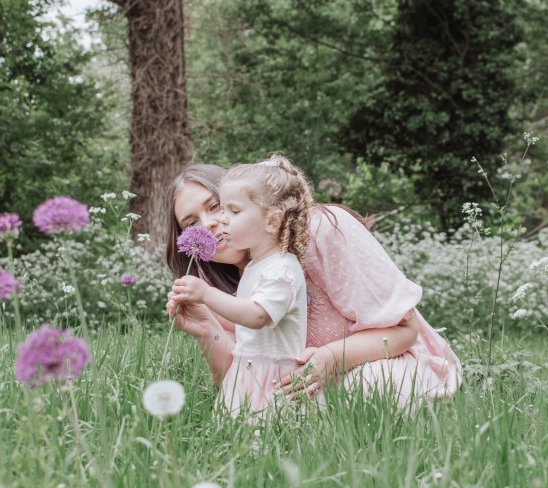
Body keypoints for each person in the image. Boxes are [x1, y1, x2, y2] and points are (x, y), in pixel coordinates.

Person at [165, 163, 462, 409]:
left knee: (370, 388)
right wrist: (207, 330)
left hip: (383, 360)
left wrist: (331, 357)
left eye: (216, 206)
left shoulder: (320, 229)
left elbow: (405, 332)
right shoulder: (210, 289)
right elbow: (240, 383)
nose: (208, 224)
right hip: (302, 387)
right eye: (191, 224)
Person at [170, 157, 311, 415]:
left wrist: (206, 294)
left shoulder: (281, 269)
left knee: (268, 428)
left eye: (228, 210)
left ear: (272, 221)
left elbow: (258, 316)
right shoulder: (256, 267)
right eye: (191, 223)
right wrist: (205, 324)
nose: (219, 221)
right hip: (250, 370)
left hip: (275, 377)